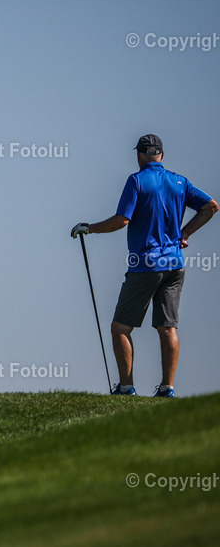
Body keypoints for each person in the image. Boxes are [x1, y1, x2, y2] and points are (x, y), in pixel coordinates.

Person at [71, 134, 217, 397]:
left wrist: (89, 228)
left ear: (139, 156)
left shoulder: (136, 180)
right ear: (161, 155)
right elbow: (211, 207)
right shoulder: (180, 181)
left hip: (145, 265)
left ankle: (126, 388)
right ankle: (167, 388)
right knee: (168, 327)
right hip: (175, 265)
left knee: (120, 328)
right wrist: (185, 234)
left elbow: (121, 220)